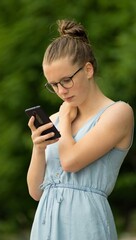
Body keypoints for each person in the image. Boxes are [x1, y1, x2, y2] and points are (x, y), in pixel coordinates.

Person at [27, 19, 134, 240]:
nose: (61, 91)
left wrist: (65, 119)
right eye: (53, 85)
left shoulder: (117, 113)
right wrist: (38, 149)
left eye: (66, 80)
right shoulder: (55, 119)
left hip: (85, 223)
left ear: (87, 69)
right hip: (45, 224)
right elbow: (36, 192)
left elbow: (70, 162)